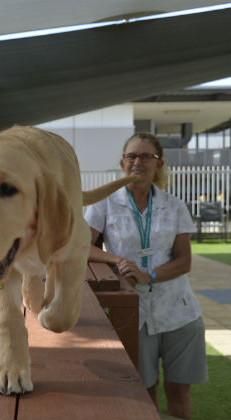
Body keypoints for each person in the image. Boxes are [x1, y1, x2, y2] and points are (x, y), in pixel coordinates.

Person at [85, 132, 207, 419]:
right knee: (144, 391)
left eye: (145, 156)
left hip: (179, 312)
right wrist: (118, 260)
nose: (137, 161)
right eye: (132, 156)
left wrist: (147, 275)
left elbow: (184, 261)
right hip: (132, 312)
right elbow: (83, 247)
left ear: (159, 163)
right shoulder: (104, 203)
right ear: (122, 162)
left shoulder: (174, 206)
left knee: (180, 392)